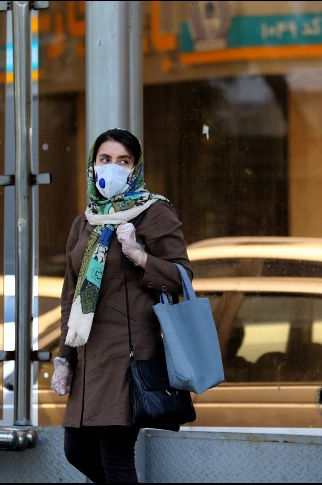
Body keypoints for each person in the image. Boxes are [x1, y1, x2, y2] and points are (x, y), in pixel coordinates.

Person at [50, 128, 192, 483]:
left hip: (129, 356)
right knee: (77, 451)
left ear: (135, 168)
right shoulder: (84, 221)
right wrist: (64, 358)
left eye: (123, 161)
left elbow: (182, 277)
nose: (112, 168)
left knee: (115, 458)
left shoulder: (153, 213)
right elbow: (71, 294)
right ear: (93, 164)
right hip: (88, 357)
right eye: (105, 159)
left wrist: (140, 256)